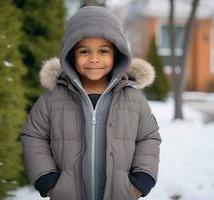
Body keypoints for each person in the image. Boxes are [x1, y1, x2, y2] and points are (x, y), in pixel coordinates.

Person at [20, 6, 161, 200]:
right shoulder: (53, 98)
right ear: (71, 54)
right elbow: (33, 135)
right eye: (84, 51)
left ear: (116, 54)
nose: (94, 59)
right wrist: (46, 179)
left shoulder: (133, 99)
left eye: (103, 51)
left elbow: (149, 137)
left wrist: (143, 178)